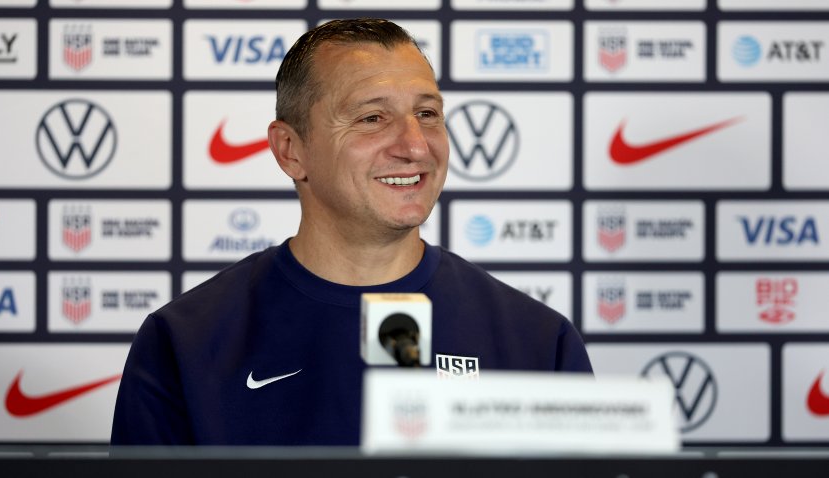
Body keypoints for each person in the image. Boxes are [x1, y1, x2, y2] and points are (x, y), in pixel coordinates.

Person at [110, 18, 592, 446]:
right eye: (372, 118)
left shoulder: (539, 341)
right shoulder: (184, 342)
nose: (415, 146)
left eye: (427, 113)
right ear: (290, 150)